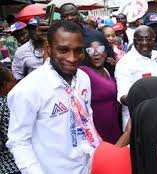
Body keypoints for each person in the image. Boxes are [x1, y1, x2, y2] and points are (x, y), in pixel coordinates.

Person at [6, 21, 102, 174]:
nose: (72, 58)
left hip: (88, 167)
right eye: (63, 50)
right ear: (48, 49)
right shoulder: (27, 90)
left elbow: (87, 117)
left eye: (78, 51)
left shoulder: (84, 78)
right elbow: (19, 142)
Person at [115, 25, 157, 131]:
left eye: (149, 39)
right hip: (137, 122)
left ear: (155, 40)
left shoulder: (156, 55)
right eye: (140, 39)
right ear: (134, 41)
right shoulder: (125, 63)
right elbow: (123, 97)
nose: (145, 42)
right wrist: (148, 101)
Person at [80, 30, 121, 144]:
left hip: (114, 127)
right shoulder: (84, 72)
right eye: (90, 50)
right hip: (96, 131)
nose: (96, 53)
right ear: (86, 54)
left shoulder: (107, 71)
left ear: (106, 52)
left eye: (100, 49)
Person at [12, 17, 45, 81]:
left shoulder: (53, 46)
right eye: (31, 29)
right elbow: (17, 75)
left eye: (37, 28)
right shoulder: (21, 51)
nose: (34, 32)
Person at [0, 63, 19, 174]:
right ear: (4, 85)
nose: (16, 82)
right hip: (15, 165)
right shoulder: (10, 104)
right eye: (13, 79)